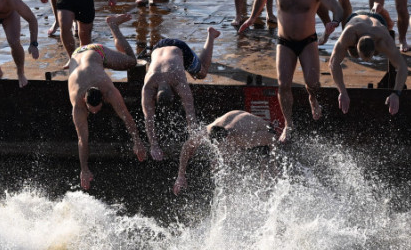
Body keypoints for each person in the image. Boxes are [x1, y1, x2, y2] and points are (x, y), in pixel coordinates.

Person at [239, 0, 344, 142]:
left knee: (313, 82)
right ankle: (288, 124)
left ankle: (312, 97)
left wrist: (333, 22)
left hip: (308, 41)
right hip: (285, 42)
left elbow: (338, 8)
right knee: (283, 84)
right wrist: (252, 18)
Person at [67, 13, 146, 190]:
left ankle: (114, 25)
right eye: (91, 109)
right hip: (76, 55)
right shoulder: (77, 103)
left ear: (104, 97)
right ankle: (112, 26)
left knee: (132, 62)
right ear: (84, 100)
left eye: (97, 109)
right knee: (82, 132)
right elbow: (82, 139)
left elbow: (126, 116)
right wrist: (84, 169)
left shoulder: (108, 90)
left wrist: (137, 142)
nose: (94, 113)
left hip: (96, 51)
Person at [141, 27, 221, 160]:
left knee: (202, 73)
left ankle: (211, 35)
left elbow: (190, 112)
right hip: (158, 47)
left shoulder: (169, 81)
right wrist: (153, 145)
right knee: (194, 74)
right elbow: (189, 114)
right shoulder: (150, 84)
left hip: (179, 48)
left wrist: (192, 141)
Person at [173, 110, 277, 195]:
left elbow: (272, 138)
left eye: (223, 146)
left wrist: (273, 163)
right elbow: (187, 146)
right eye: (216, 145)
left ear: (228, 138)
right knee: (219, 164)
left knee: (267, 182)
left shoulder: (244, 138)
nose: (218, 148)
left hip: (264, 132)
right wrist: (180, 176)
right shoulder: (208, 131)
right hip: (236, 122)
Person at [329, 5, 407, 115]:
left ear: (376, 45)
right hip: (356, 17)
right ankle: (376, 7)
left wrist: (396, 93)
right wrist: (342, 91)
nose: (365, 62)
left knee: (388, 29)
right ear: (355, 44)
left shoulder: (383, 40)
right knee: (354, 55)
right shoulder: (349, 34)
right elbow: (333, 63)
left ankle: (380, 10)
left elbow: (402, 67)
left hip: (379, 21)